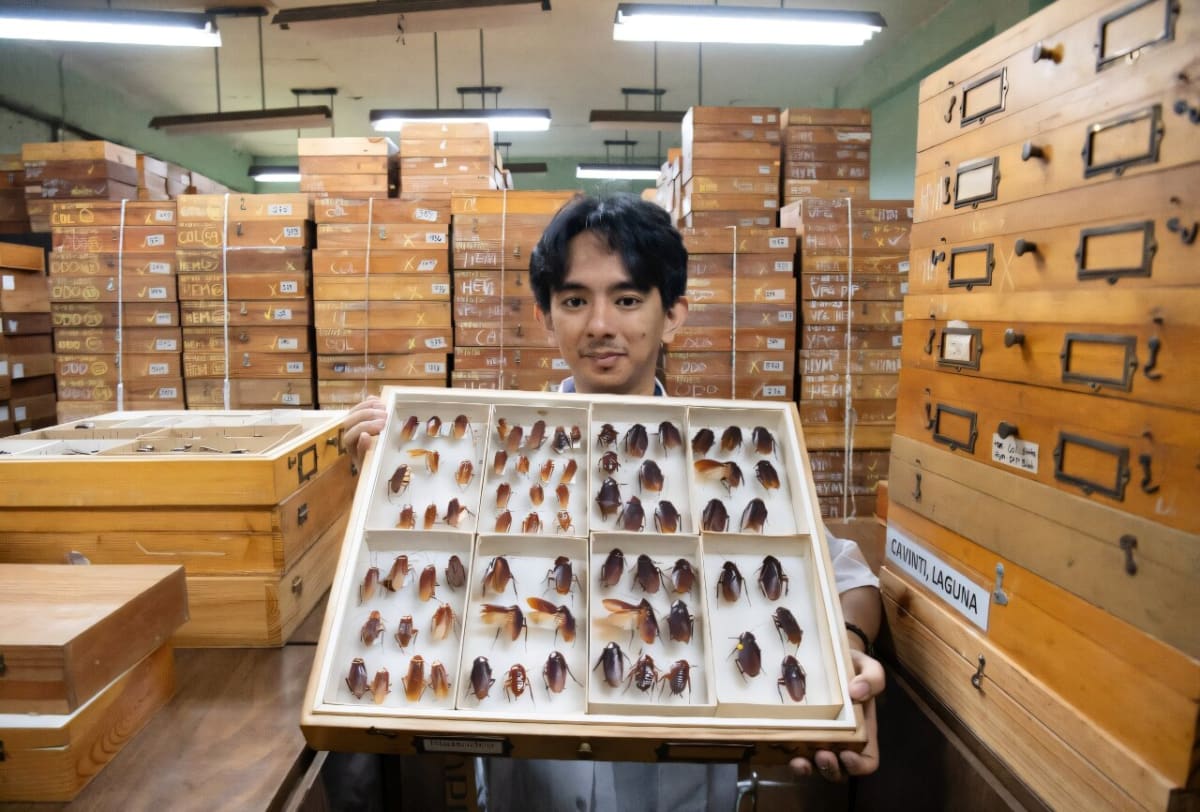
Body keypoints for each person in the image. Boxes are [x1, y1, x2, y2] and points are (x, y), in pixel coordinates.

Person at [342, 193, 884, 810]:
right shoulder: (499, 448)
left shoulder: (722, 457)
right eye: (575, 301)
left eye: (626, 300)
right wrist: (379, 472)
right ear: (547, 318)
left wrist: (846, 643)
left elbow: (847, 572)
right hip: (533, 790)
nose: (600, 324)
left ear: (672, 314)